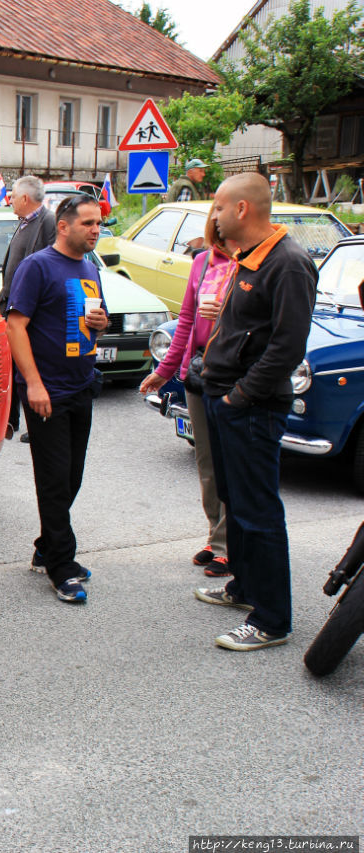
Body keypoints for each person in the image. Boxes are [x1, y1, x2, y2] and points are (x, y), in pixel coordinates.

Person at [192, 171, 317, 651]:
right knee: (236, 502)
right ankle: (244, 587)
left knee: (259, 511)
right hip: (226, 399)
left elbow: (286, 348)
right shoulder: (249, 258)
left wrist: (239, 396)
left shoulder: (288, 263)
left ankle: (272, 620)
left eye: (220, 207)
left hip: (252, 407)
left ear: (242, 209)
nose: (215, 217)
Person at [5, 195, 109, 603]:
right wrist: (32, 383)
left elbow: (93, 322)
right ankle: (61, 566)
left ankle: (47, 546)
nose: (95, 230)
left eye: (98, 223)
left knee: (71, 477)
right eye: (87, 223)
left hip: (81, 384)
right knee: (53, 480)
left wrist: (101, 324)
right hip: (47, 390)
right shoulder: (37, 266)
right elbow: (15, 327)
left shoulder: (89, 267)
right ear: (63, 226)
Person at [138, 207, 236, 578]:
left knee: (230, 463)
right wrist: (164, 372)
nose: (219, 226)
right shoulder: (202, 263)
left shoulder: (252, 265)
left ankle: (231, 543)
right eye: (216, 219)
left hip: (232, 376)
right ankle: (216, 536)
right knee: (207, 463)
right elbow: (187, 324)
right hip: (198, 372)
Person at [1, 175, 57, 442]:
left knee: (31, 367)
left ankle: (38, 424)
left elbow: (51, 263)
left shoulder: (47, 221)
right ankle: (10, 420)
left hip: (32, 310)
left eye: (12, 195)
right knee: (11, 365)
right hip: (13, 304)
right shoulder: (24, 223)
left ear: (25, 198)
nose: (9, 199)